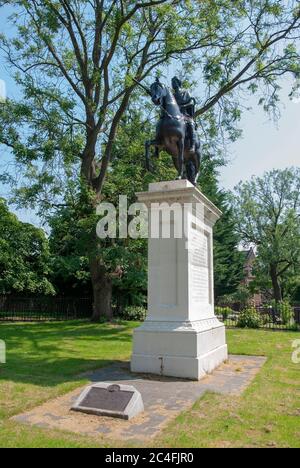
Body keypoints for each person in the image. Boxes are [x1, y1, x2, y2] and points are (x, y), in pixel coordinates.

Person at [172, 76, 196, 152]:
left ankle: (192, 145)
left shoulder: (186, 92)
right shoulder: (172, 95)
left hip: (185, 114)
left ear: (178, 83)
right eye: (172, 82)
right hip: (175, 116)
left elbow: (192, 102)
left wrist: (183, 106)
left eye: (174, 82)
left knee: (191, 124)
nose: (172, 84)